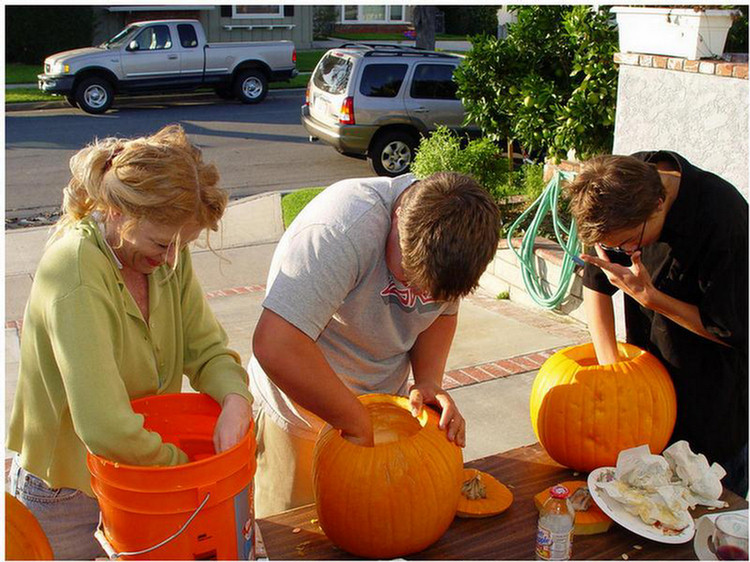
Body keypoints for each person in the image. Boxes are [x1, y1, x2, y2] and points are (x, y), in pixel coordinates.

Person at [6, 125, 253, 560]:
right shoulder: (75, 271)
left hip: (146, 480)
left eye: (184, 244)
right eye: (162, 243)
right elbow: (104, 426)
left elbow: (206, 349)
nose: (172, 258)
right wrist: (189, 474)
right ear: (118, 212)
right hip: (67, 495)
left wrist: (235, 399)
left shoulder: (165, 250)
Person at [250, 171, 500, 517]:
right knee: (298, 542)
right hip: (299, 416)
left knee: (375, 529)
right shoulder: (340, 230)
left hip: (379, 410)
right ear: (398, 221)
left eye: (433, 295)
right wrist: (354, 419)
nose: (418, 298)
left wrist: (428, 380)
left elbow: (440, 316)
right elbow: (275, 345)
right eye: (410, 280)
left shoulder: (452, 248)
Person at [566, 152, 748, 497]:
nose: (623, 249)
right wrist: (612, 371)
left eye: (631, 242)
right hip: (646, 400)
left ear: (660, 203)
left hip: (709, 407)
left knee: (705, 527)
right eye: (613, 244)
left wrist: (652, 299)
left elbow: (733, 330)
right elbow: (597, 282)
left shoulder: (725, 220)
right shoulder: (619, 187)